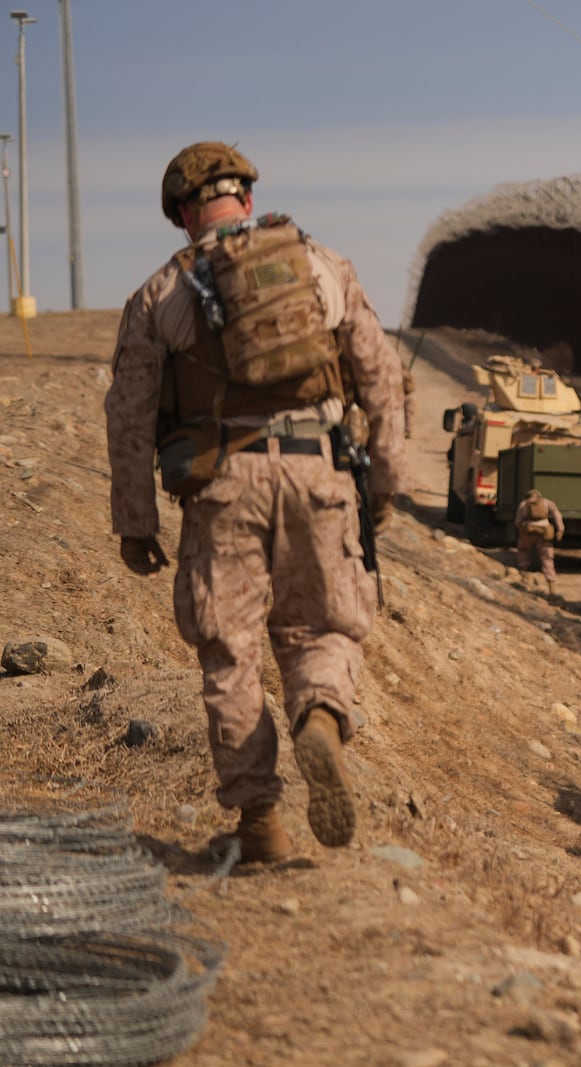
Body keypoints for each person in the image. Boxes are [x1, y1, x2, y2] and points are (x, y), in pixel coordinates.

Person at [104, 142, 406, 864]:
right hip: (321, 473)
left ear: (183, 212)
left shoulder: (159, 296)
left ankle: (260, 821)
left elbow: (130, 413)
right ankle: (323, 714)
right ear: (246, 194)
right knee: (323, 626)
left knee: (230, 653)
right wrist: (387, 484)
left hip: (220, 485)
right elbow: (382, 377)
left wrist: (134, 522)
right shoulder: (321, 265)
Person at [515, 488, 565, 596]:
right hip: (545, 532)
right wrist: (560, 529)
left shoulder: (524, 504)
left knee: (523, 551)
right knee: (547, 559)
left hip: (529, 531)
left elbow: (518, 521)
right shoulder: (546, 502)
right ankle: (552, 590)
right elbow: (557, 515)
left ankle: (525, 578)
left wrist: (522, 530)